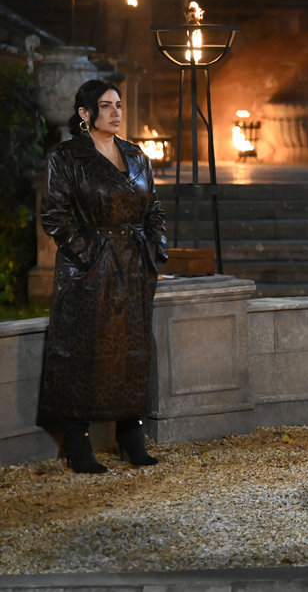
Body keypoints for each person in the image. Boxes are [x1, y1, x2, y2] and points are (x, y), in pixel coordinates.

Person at [38, 79, 169, 473]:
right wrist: (89, 254)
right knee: (83, 350)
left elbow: (155, 209)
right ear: (85, 114)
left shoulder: (136, 155)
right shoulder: (67, 157)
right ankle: (77, 443)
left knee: (133, 347)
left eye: (118, 105)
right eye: (106, 106)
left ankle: (131, 434)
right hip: (89, 272)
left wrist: (154, 250)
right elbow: (54, 216)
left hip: (133, 268)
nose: (116, 112)